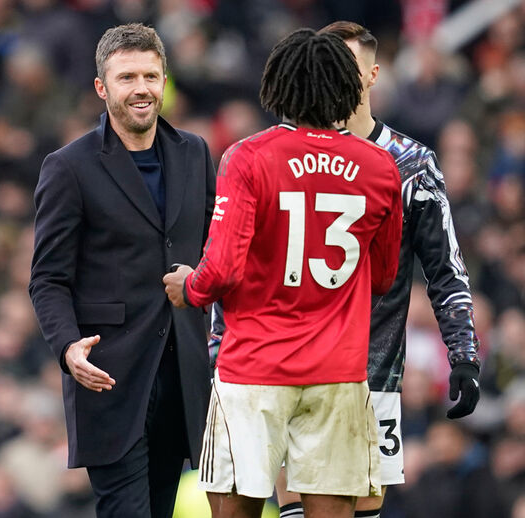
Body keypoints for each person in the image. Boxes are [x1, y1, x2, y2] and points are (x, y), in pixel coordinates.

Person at [163, 29, 403, 518]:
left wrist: (188, 287)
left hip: (253, 368)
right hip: (338, 372)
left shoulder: (249, 157)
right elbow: (383, 278)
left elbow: (221, 270)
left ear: (279, 86)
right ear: (348, 86)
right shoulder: (380, 167)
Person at [270, 21, 481, 518]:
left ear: (373, 75)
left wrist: (464, 354)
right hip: (290, 367)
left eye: (349, 66)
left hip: (373, 373)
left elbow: (445, 270)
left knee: (364, 508)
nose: (337, 76)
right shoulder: (279, 157)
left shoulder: (411, 164)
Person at [28, 23, 215, 518]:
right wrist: (67, 347)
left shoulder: (195, 152)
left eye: (150, 76)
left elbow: (214, 249)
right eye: (127, 77)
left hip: (184, 376)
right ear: (101, 87)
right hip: (109, 378)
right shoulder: (68, 166)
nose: (141, 88)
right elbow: (47, 278)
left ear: (164, 81)